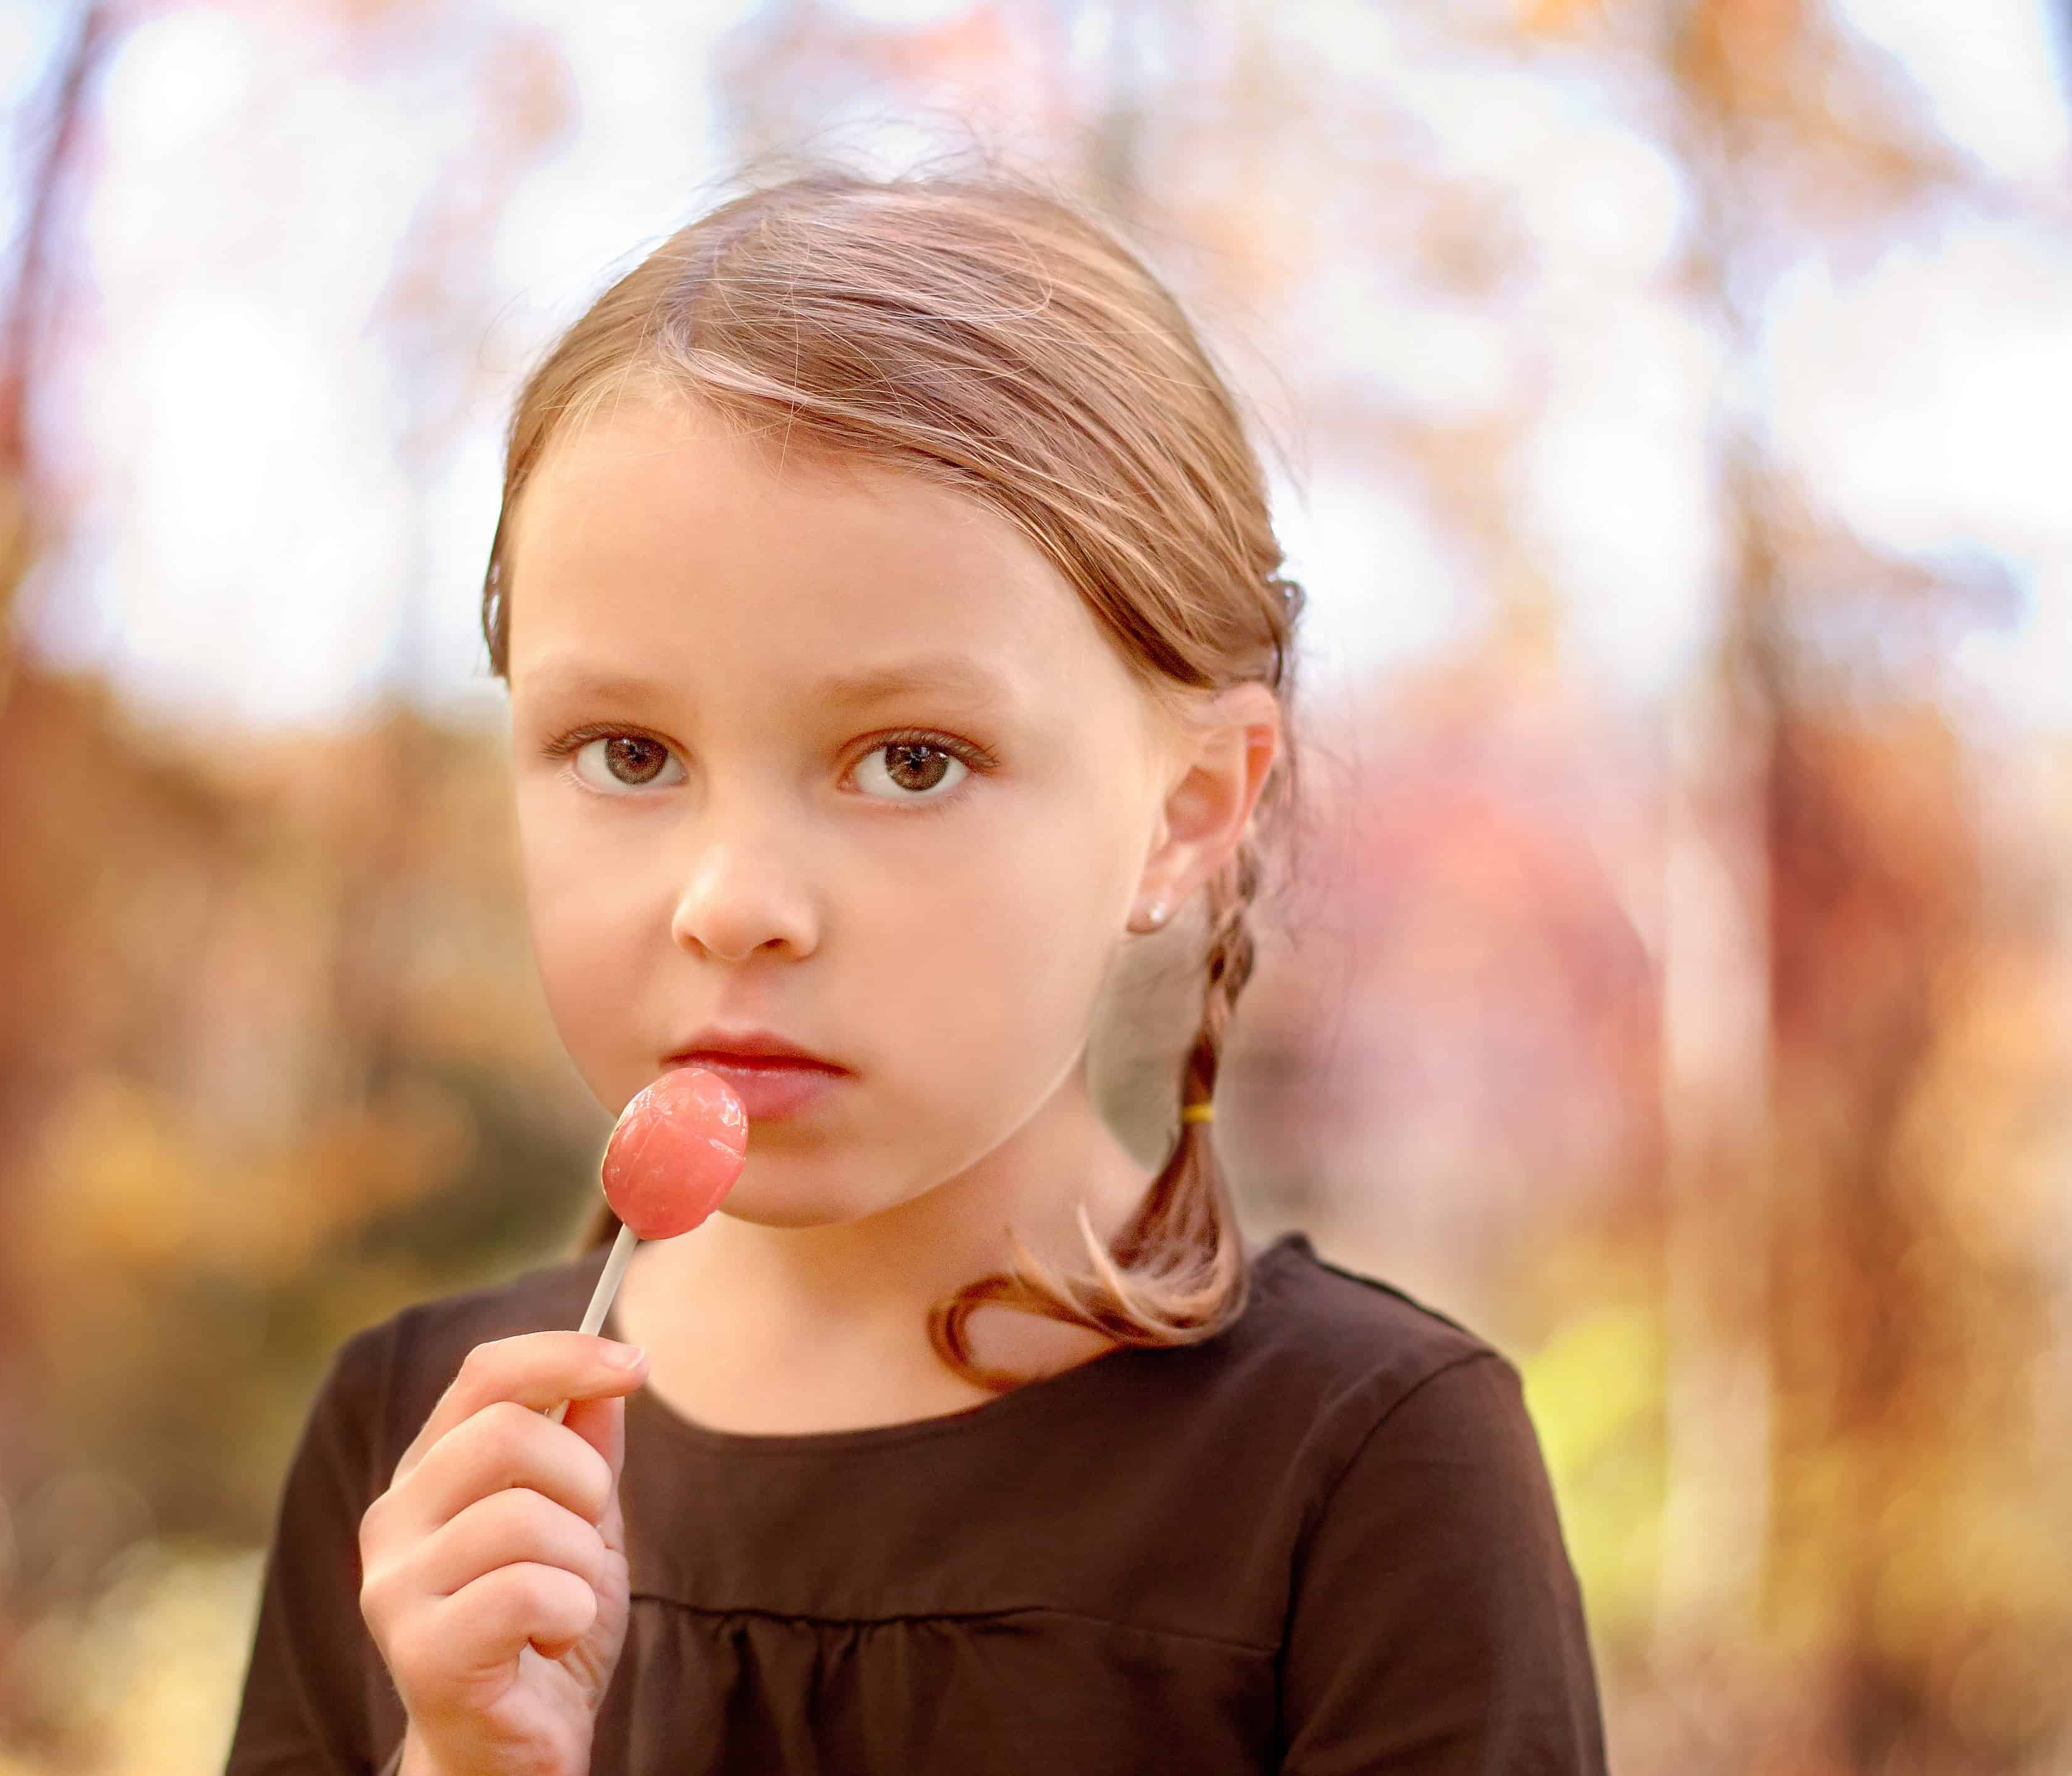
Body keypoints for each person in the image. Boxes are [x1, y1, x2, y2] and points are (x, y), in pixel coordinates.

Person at [223, 165, 1608, 1776]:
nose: (735, 902)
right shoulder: (421, 1457)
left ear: (1185, 810)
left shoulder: (1373, 1479)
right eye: (627, 750)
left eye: (910, 762)